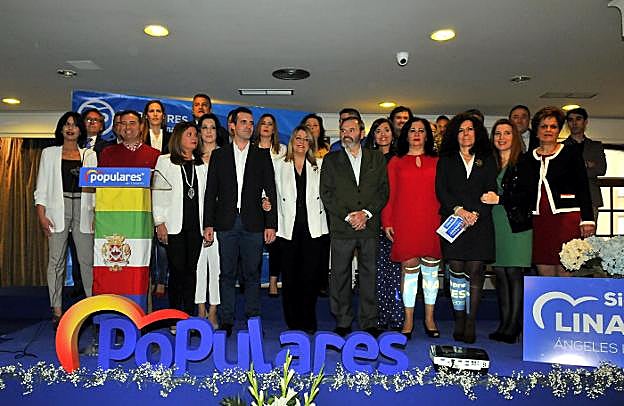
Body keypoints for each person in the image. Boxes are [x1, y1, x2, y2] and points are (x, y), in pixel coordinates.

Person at [203, 107, 277, 337]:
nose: (249, 126)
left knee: (252, 274)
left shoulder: (262, 155)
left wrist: (271, 224)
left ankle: (253, 319)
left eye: (251, 123)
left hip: (253, 223)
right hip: (226, 223)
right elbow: (210, 192)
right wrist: (208, 224)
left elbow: (270, 190)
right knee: (226, 274)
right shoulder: (219, 155)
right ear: (232, 126)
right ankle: (226, 320)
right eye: (243, 122)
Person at [320, 116, 388, 336]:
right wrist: (349, 216)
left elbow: (383, 191)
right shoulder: (331, 159)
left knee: (370, 275)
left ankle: (369, 321)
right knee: (340, 275)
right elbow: (326, 193)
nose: (346, 134)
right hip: (342, 227)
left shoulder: (376, 158)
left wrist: (365, 214)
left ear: (361, 132)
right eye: (343, 130)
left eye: (351, 129)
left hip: (369, 226)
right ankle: (343, 320)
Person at [435, 113, 497, 344]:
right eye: (461, 130)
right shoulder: (446, 159)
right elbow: (441, 190)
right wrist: (459, 211)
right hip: (454, 222)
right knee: (456, 273)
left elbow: (491, 191)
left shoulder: (487, 159)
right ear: (455, 134)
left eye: (470, 129)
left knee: (476, 273)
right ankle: (459, 318)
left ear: (477, 132)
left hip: (479, 223)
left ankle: (471, 321)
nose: (466, 134)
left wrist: (475, 214)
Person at [34, 112, 96, 328]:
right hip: (57, 210)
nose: (70, 128)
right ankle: (57, 309)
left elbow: (96, 189)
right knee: (56, 261)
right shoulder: (49, 153)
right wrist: (41, 215)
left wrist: (96, 214)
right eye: (67, 125)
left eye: (75, 125)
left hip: (84, 210)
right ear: (61, 129)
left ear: (80, 130)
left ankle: (92, 307)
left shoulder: (89, 155)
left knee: (87, 262)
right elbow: (41, 187)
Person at [383, 117, 442, 339]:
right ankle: (407, 321)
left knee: (431, 272)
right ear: (406, 135)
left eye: (421, 130)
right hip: (404, 220)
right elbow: (389, 194)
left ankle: (429, 319)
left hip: (433, 220)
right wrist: (387, 221)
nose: (416, 134)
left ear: (427, 136)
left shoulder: (438, 161)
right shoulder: (396, 162)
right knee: (409, 270)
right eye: (412, 130)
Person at [480, 119, 533, 344]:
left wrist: (500, 199)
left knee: (514, 273)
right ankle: (504, 324)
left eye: (507, 133)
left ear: (515, 137)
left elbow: (528, 196)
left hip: (516, 225)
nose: (502, 138)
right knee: (500, 275)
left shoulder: (525, 162)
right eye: (497, 134)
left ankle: (514, 325)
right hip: (495, 224)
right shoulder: (489, 163)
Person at [527, 106, 595, 276]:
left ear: (559, 130)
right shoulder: (527, 158)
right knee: (544, 268)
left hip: (567, 219)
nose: (548, 130)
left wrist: (587, 219)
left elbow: (582, 186)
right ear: (536, 131)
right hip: (538, 220)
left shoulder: (571, 153)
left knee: (567, 267)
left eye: (553, 126)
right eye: (544, 126)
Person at [274, 126, 328, 333]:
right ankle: (293, 321)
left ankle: (308, 319)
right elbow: (269, 192)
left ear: (311, 144)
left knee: (310, 278)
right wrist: (265, 201)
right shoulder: (279, 165)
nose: (302, 142)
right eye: (298, 138)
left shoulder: (320, 166)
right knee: (290, 278)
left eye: (306, 139)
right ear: (292, 141)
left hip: (313, 229)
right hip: (287, 229)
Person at [153, 122, 205, 321]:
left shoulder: (201, 164)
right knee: (176, 271)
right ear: (178, 138)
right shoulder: (165, 161)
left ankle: (189, 316)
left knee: (191, 271)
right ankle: (175, 316)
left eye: (195, 135)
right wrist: (159, 222)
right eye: (189, 134)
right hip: (173, 225)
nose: (194, 138)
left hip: (196, 227)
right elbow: (157, 193)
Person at [363, 118, 402, 331]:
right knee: (375, 273)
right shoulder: (366, 159)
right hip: (371, 221)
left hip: (395, 222)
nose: (383, 134)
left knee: (395, 273)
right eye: (378, 131)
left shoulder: (400, 158)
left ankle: (396, 318)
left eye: (386, 130)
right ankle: (377, 318)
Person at [251, 113, 286, 297]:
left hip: (278, 202)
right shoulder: (250, 149)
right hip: (254, 203)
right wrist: (262, 198)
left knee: (276, 245)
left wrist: (271, 198)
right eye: (263, 123)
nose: (266, 126)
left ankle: (273, 281)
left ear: (274, 129)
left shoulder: (283, 150)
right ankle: (252, 281)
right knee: (254, 244)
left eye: (270, 124)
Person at [194, 113, 222, 328]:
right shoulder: (191, 157)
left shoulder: (226, 156)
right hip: (194, 219)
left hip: (220, 219)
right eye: (205, 127)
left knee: (217, 266)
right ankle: (200, 307)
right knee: (198, 265)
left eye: (212, 127)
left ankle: (213, 310)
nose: (209, 131)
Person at [301, 113, 331, 297]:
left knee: (322, 247)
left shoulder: (327, 152)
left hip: (324, 207)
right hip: (303, 208)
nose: (312, 128)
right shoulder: (298, 152)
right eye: (308, 125)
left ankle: (322, 283)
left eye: (315, 125)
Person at [563, 107, 607, 222]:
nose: (574, 123)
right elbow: (561, 172)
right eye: (571, 120)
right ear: (567, 123)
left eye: (578, 119)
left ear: (585, 122)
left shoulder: (596, 146)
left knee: (589, 231)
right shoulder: (560, 146)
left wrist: (575, 167)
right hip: (568, 197)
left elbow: (601, 169)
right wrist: (586, 165)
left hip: (591, 197)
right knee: (567, 232)